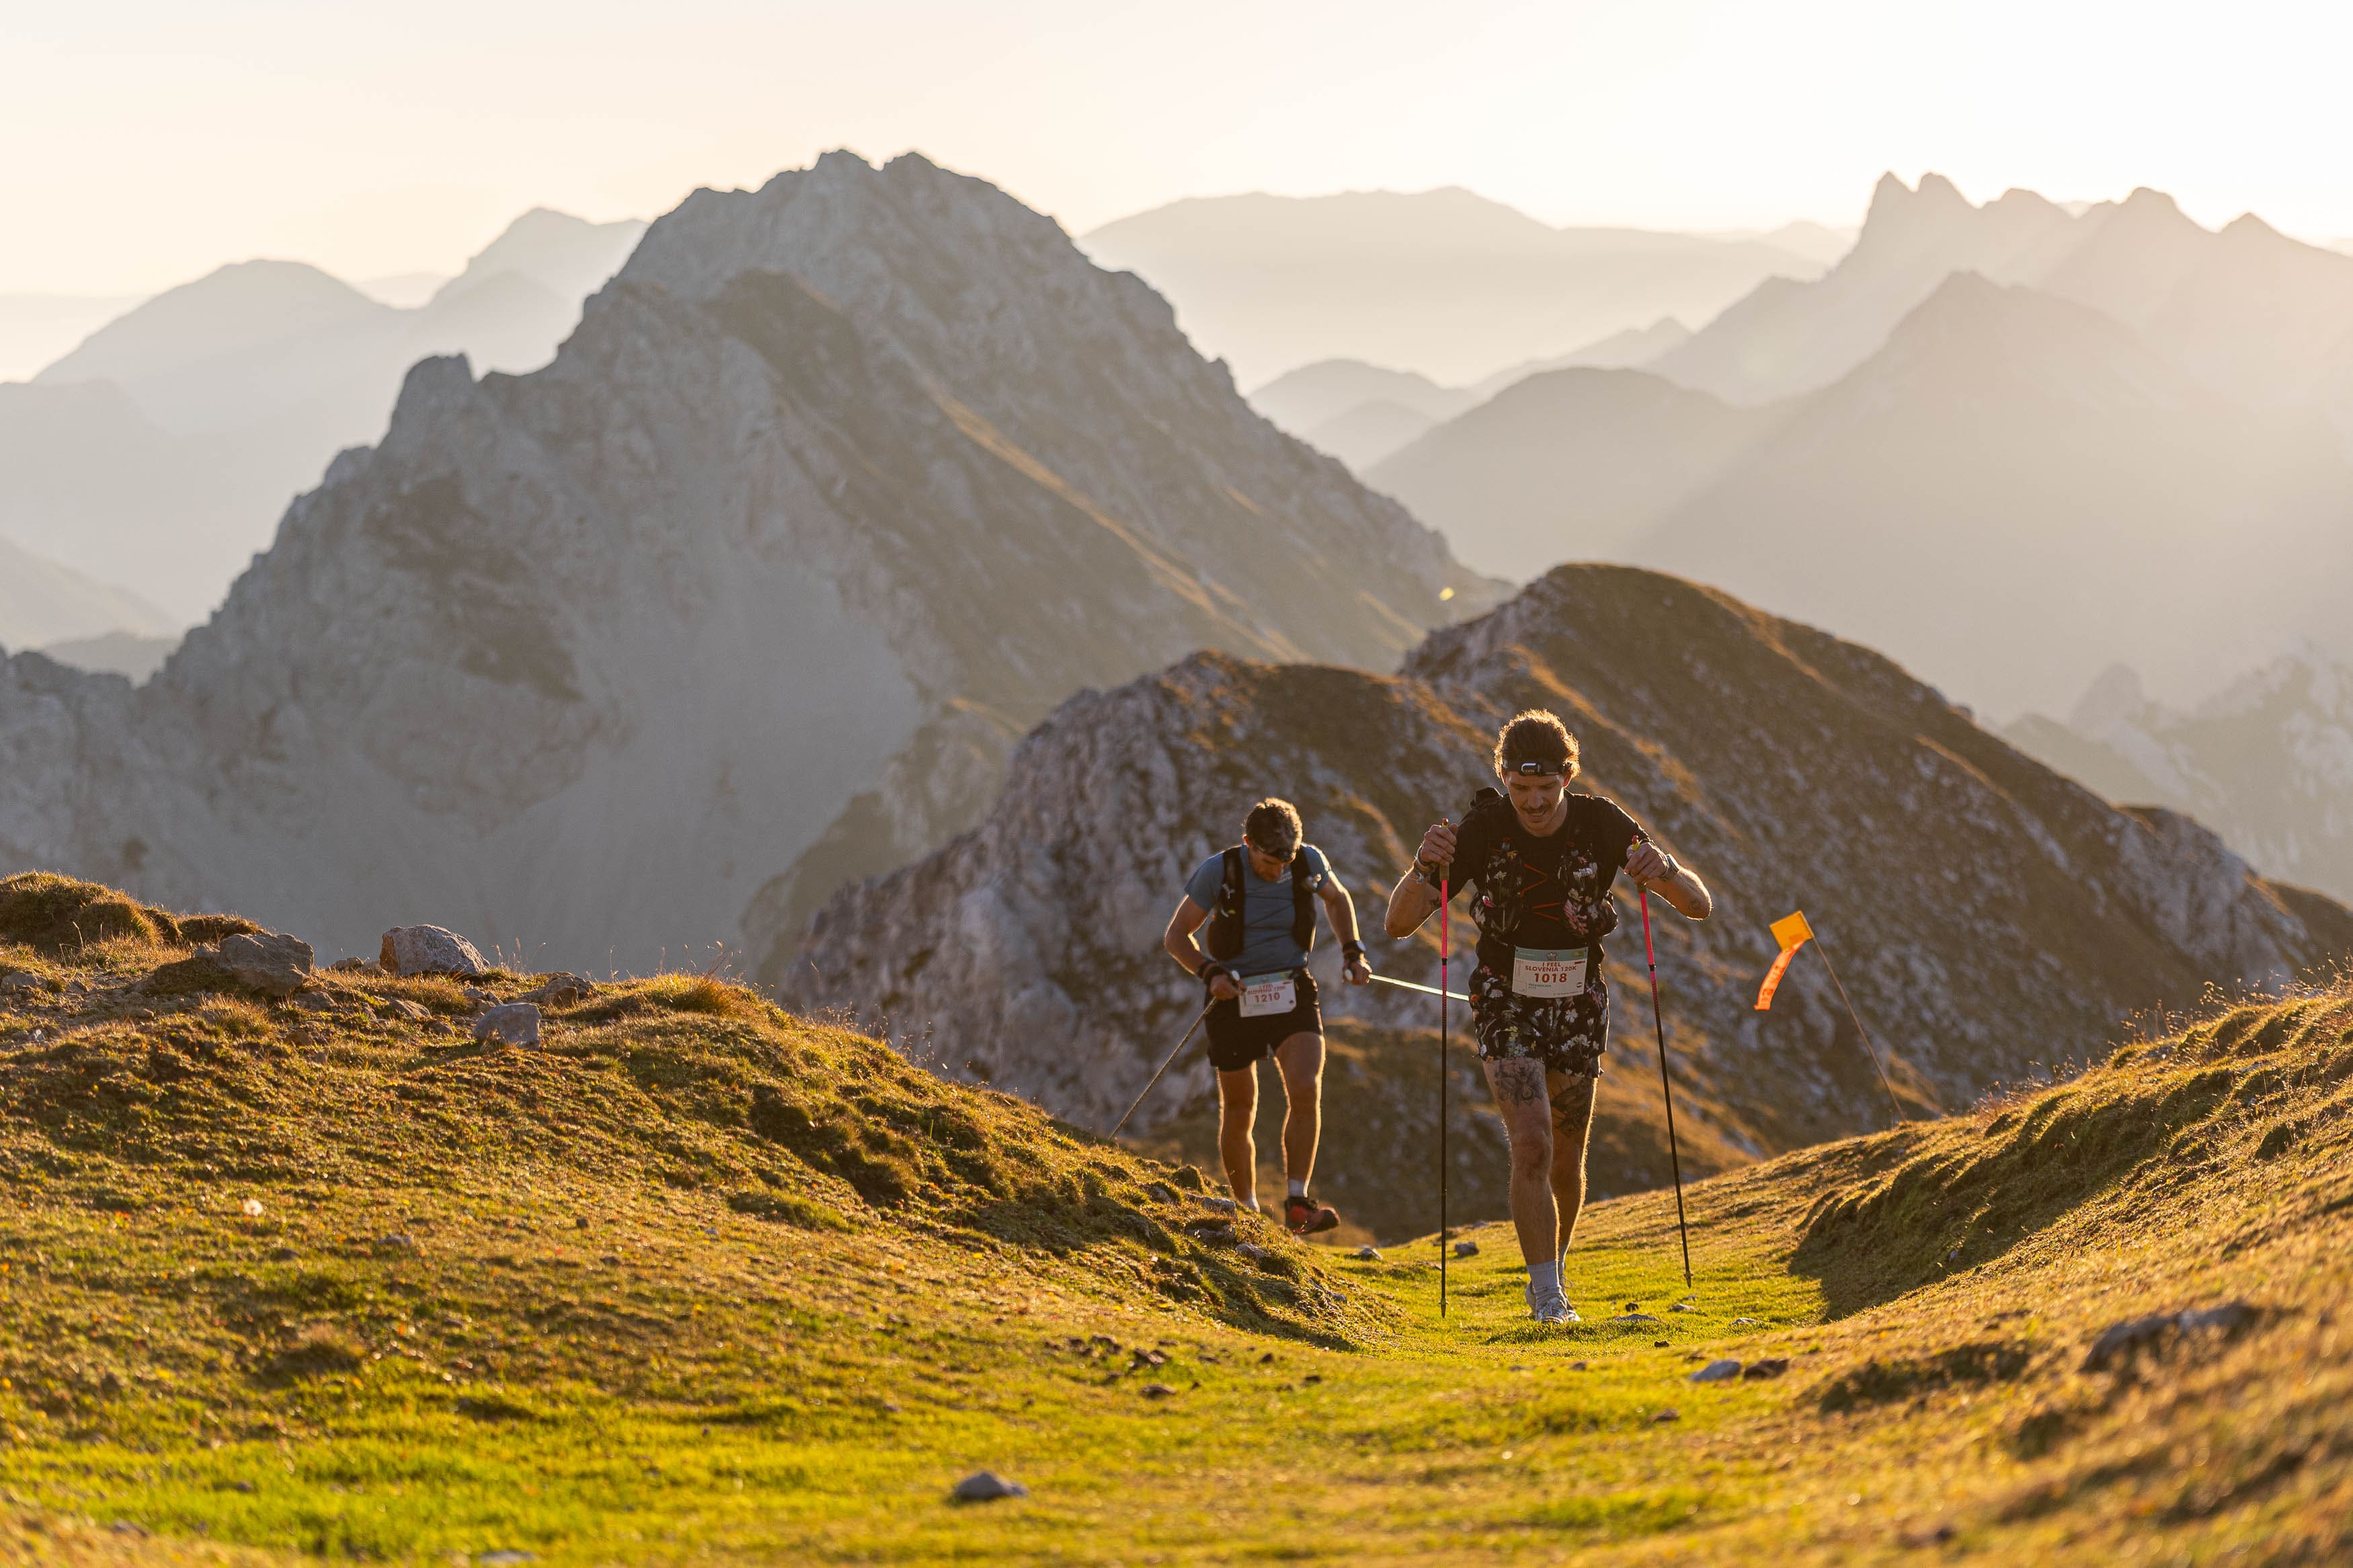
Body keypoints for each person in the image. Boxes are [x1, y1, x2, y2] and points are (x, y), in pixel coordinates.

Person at [1382, 711, 1711, 1323]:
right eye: (1520, 789)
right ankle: (1548, 1298)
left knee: (1566, 1153)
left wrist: (1660, 867)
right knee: (1530, 1142)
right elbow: (1399, 923)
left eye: (1546, 789)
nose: (1533, 803)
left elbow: (1699, 904)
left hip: (1579, 1001)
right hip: (1505, 996)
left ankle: (1554, 1268)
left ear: (1568, 776)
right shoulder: (1480, 828)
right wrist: (1421, 865)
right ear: (1502, 776)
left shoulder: (1603, 822)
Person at [1163, 798, 1372, 1235]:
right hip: (1232, 994)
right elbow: (1176, 936)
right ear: (1247, 844)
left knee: (1305, 1085)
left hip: (1290, 988)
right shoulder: (1219, 871)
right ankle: (1247, 1209)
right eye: (1267, 861)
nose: (1278, 871)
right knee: (1239, 1106)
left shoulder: (1308, 862)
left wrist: (1353, 952)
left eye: (1286, 861)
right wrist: (1209, 971)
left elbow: (1339, 899)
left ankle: (1298, 1202)